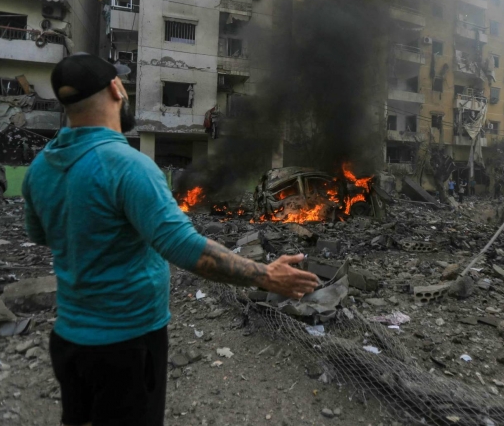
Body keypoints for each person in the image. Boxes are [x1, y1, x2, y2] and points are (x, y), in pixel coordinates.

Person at [22, 54, 319, 426]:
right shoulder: (127, 165)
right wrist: (266, 275)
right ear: (116, 88)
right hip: (126, 344)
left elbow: (39, 234)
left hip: (68, 340)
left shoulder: (40, 169)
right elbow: (186, 249)